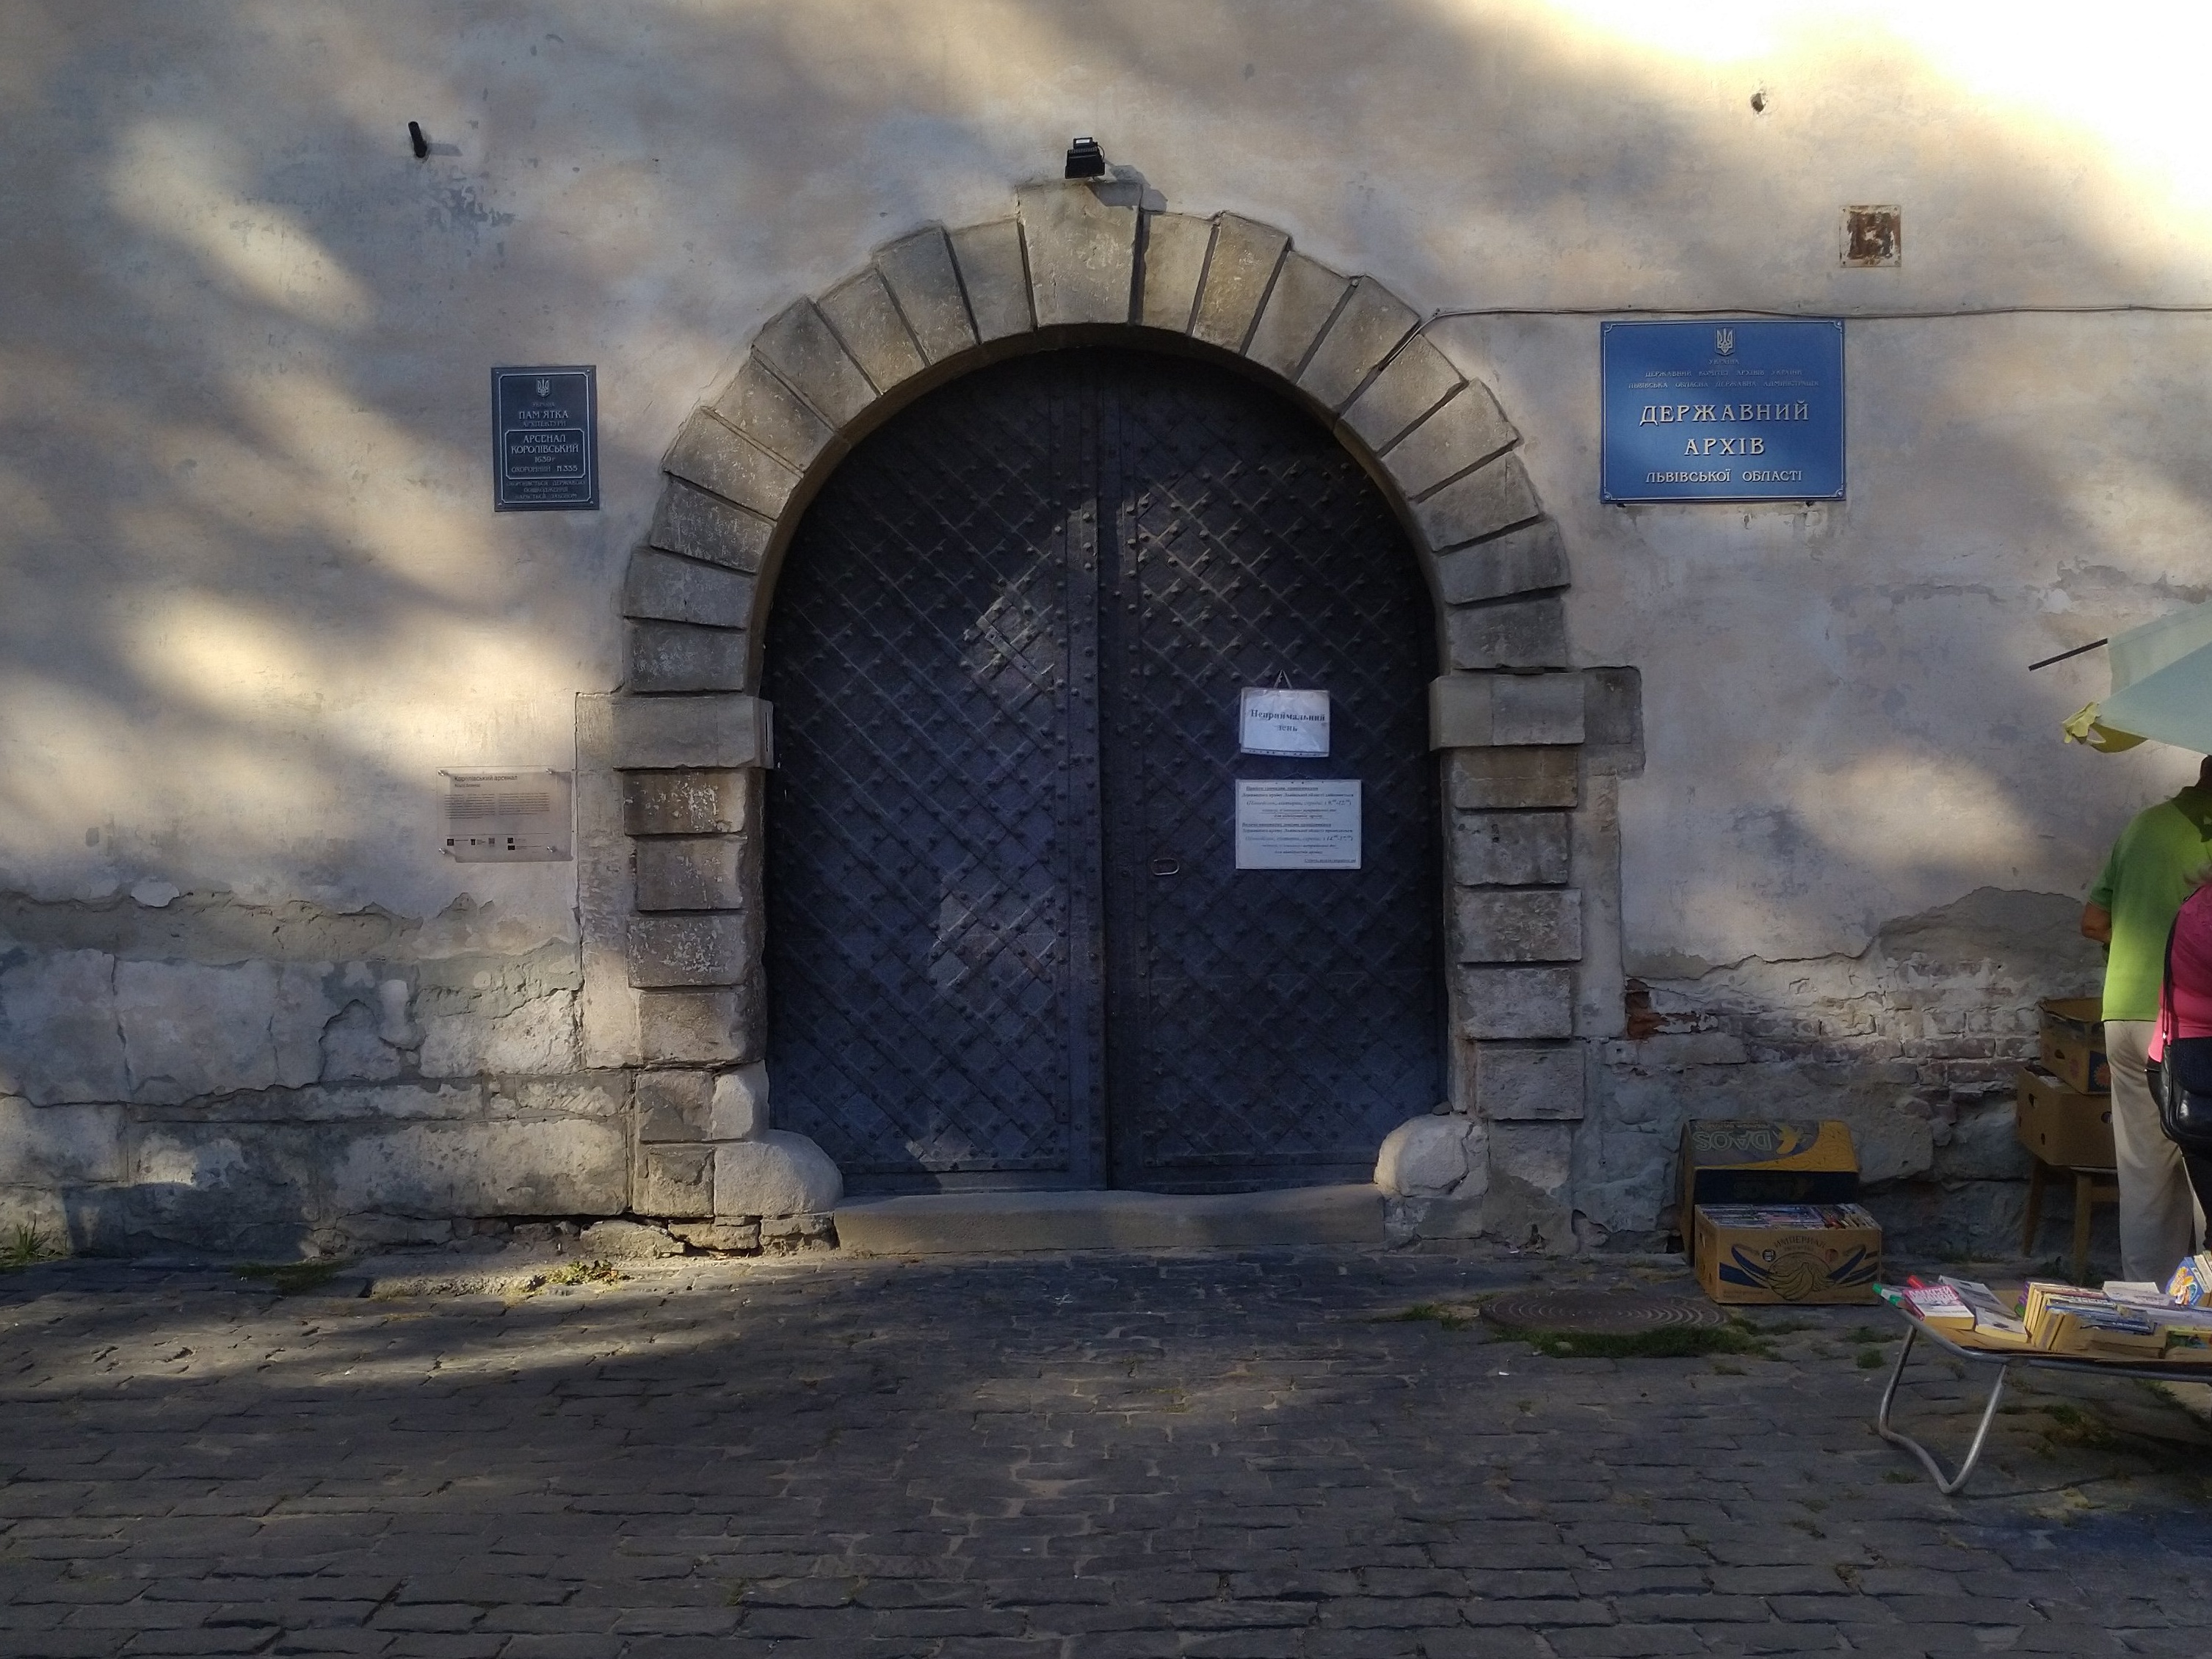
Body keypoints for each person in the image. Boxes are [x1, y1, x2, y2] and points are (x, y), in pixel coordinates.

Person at [2081, 755, 2212, 1282]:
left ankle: (2146, 1310)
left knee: (2143, 1174)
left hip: (2126, 1012)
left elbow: (2092, 922)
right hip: (2192, 1026)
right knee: (2205, 1167)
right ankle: (2202, 1311)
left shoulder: (2144, 825)